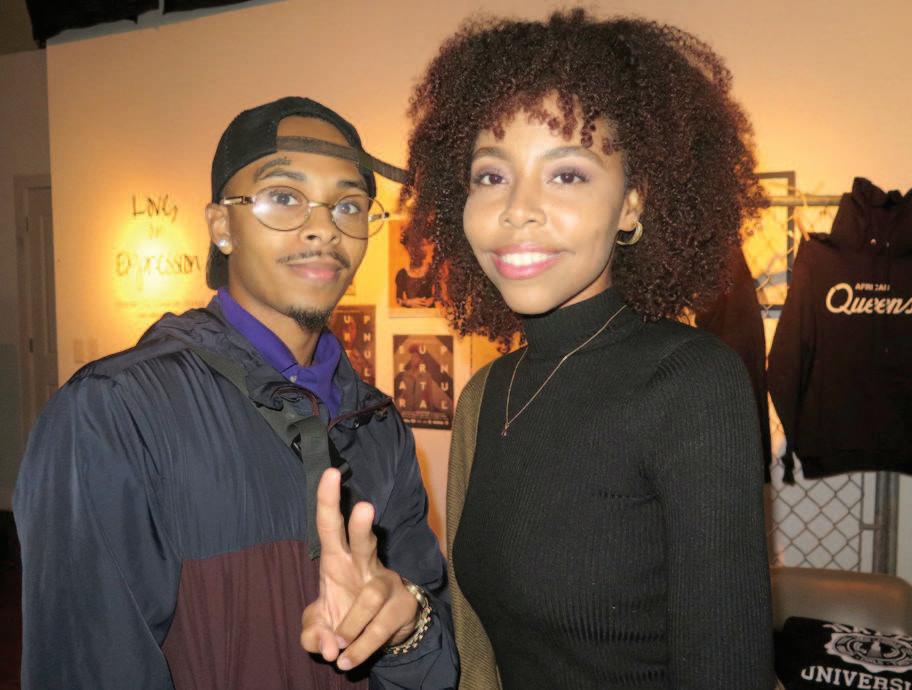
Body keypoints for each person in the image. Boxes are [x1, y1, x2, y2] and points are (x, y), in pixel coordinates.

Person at [15, 97, 457, 690]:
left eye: (348, 205)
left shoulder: (376, 422)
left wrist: (407, 630)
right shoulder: (112, 412)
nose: (324, 227)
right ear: (222, 226)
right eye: (284, 197)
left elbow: (437, 659)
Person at [402, 10, 774, 689]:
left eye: (567, 175)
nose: (517, 208)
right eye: (491, 176)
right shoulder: (486, 394)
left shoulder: (689, 383)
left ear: (631, 204)